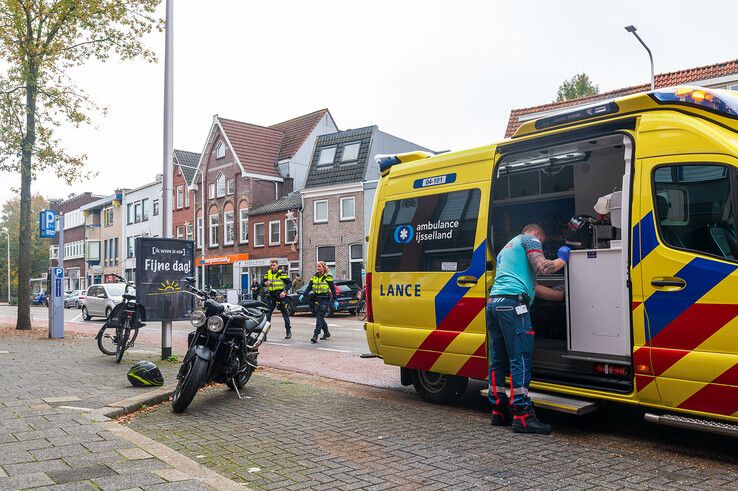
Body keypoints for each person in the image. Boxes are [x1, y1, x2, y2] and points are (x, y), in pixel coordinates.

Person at [487, 223, 570, 435]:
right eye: (542, 242)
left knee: (497, 359)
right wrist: (563, 258)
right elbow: (544, 267)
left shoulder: (507, 248)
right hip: (514, 307)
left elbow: (532, 287)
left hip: (495, 304)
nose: (540, 246)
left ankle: (498, 410)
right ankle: (522, 415)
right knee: (520, 358)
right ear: (539, 234)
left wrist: (560, 296)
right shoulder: (529, 239)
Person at [299, 261, 338, 343]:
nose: (318, 268)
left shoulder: (328, 276)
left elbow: (333, 289)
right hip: (317, 298)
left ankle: (315, 335)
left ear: (324, 267)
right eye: (317, 266)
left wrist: (335, 300)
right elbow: (309, 287)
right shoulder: (314, 276)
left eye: (319, 266)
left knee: (319, 316)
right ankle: (326, 332)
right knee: (319, 316)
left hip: (325, 298)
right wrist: (303, 294)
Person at [262, 259, 292, 339]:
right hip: (272, 296)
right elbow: (262, 283)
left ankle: (288, 332)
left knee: (285, 314)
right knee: (267, 315)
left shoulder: (281, 273)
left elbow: (289, 283)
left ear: (277, 265)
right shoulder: (267, 273)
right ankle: (264, 334)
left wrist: (284, 292)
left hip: (280, 295)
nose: (272, 267)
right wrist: (265, 283)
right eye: (271, 265)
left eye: (274, 265)